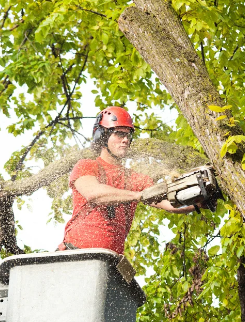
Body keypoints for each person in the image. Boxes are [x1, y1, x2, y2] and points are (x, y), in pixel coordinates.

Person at [58, 107, 197, 254]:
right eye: (119, 134)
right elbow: (94, 193)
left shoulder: (135, 179)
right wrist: (137, 195)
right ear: (102, 136)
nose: (125, 140)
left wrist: (198, 200)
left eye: (128, 135)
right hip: (74, 255)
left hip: (110, 260)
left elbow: (171, 204)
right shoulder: (87, 166)